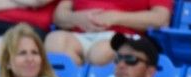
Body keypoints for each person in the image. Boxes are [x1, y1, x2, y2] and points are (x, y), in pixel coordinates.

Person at [44, 0, 172, 66]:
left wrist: (116, 18)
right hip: (81, 34)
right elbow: (59, 16)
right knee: (54, 41)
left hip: (123, 35)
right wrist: (76, 18)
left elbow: (161, 18)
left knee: (101, 53)